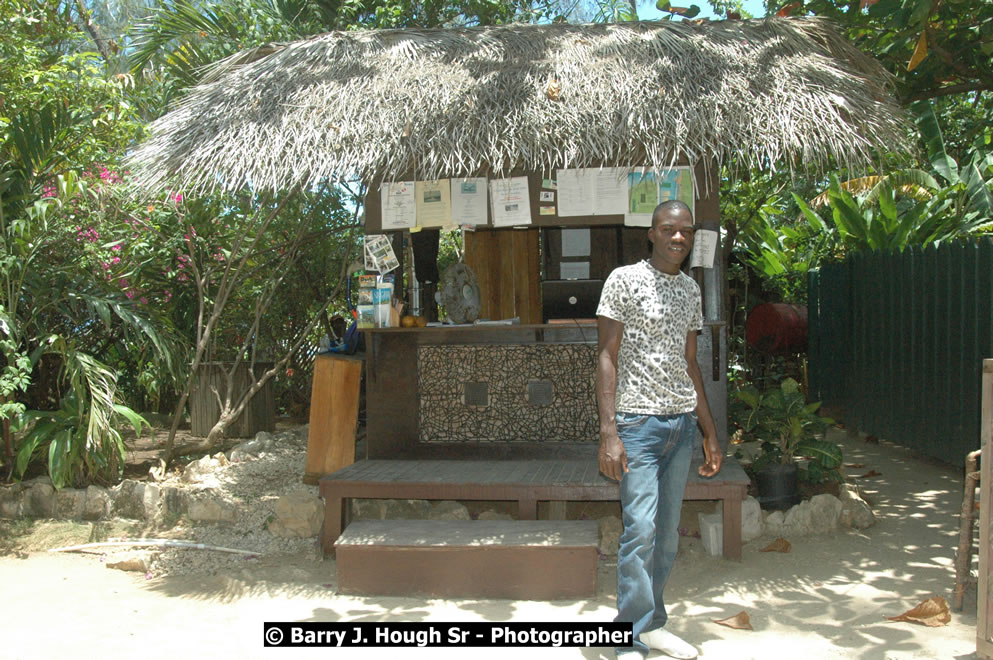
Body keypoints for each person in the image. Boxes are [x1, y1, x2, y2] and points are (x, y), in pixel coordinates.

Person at [595, 200, 722, 660]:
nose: (678, 237)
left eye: (685, 230)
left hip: (680, 427)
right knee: (641, 531)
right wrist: (609, 433)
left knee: (666, 536)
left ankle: (652, 625)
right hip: (636, 426)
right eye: (668, 229)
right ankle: (626, 636)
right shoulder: (624, 280)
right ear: (651, 234)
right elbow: (606, 355)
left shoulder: (690, 290)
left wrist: (709, 431)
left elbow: (690, 362)